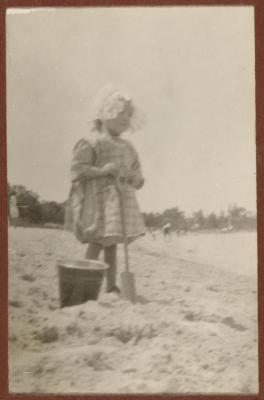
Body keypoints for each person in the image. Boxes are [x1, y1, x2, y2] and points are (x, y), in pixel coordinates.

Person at [67, 84, 145, 294]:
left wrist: (135, 178)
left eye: (129, 115)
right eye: (121, 113)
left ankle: (111, 286)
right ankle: (80, 284)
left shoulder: (129, 148)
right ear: (106, 112)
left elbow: (137, 174)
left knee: (112, 244)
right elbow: (78, 168)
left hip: (120, 202)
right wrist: (103, 170)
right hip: (101, 202)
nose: (126, 118)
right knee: (98, 241)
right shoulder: (94, 143)